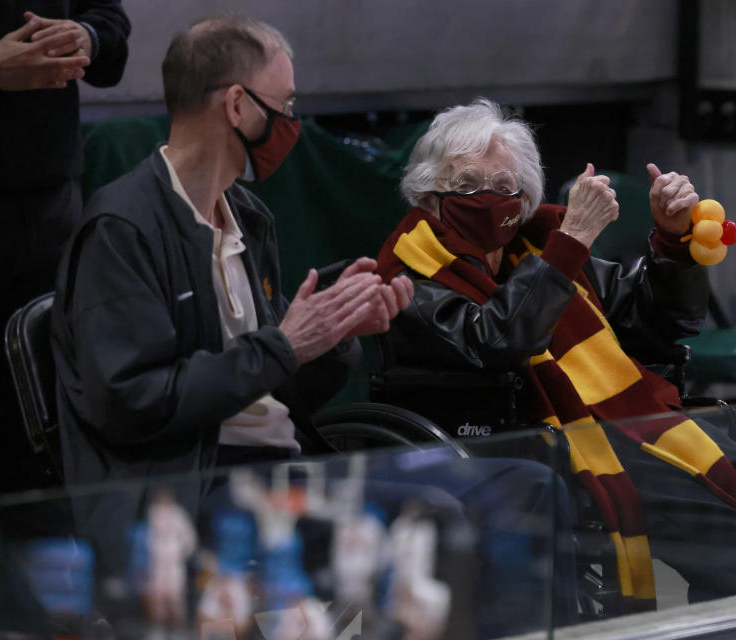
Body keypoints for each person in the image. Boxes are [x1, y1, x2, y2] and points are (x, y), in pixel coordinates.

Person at [50, 19, 575, 636]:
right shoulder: (123, 228)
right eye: (286, 104)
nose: (293, 121)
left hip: (283, 466)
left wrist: (336, 336)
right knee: (429, 520)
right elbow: (129, 403)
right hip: (188, 488)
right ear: (239, 106)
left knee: (528, 484)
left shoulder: (247, 215)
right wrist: (286, 343)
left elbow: (278, 392)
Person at [376, 98, 736, 609]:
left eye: (505, 188)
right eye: (465, 186)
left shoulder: (537, 245)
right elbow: (499, 339)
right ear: (426, 193)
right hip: (532, 441)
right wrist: (570, 241)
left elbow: (660, 323)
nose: (487, 198)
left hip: (629, 424)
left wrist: (672, 244)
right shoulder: (407, 276)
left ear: (525, 197)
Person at [0, 1, 130, 593]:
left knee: (45, 419)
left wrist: (88, 38)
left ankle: (31, 594)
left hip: (48, 207)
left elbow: (112, 35)